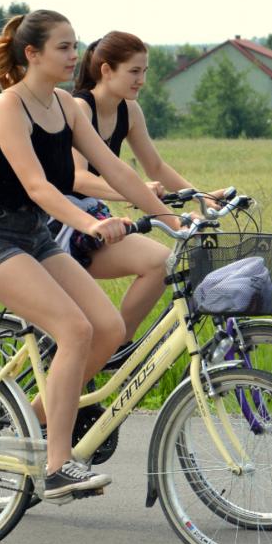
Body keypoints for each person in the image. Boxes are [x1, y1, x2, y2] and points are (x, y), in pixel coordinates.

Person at [0, 10, 179, 503]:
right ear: (32, 54)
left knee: (109, 329)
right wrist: (90, 223)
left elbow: (116, 170)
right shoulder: (7, 107)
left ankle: (31, 420)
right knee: (75, 329)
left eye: (75, 45)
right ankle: (57, 466)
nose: (75, 55)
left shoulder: (65, 107)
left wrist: (174, 220)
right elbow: (38, 185)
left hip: (33, 235)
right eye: (64, 47)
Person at [49, 31, 226, 345]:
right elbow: (77, 178)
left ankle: (117, 350)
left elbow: (156, 166)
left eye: (144, 71)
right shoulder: (81, 107)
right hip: (60, 219)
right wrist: (133, 191)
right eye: (133, 71)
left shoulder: (128, 110)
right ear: (106, 70)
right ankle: (112, 348)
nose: (141, 80)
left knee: (160, 263)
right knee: (156, 263)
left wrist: (203, 197)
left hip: (94, 216)